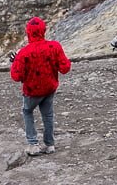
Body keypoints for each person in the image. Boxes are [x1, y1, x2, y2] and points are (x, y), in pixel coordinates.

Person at [10, 17, 72, 156]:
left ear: (28, 33)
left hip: (32, 92)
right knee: (48, 115)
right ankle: (50, 144)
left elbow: (16, 76)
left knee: (27, 112)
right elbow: (65, 68)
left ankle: (33, 144)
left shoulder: (23, 53)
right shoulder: (54, 47)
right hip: (49, 88)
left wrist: (15, 62)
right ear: (44, 30)